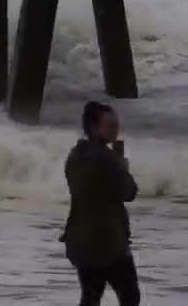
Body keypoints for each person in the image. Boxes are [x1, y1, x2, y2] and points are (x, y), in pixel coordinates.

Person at [61, 101, 140, 305]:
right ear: (94, 128)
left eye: (116, 125)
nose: (116, 130)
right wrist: (122, 165)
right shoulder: (107, 158)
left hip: (79, 239)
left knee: (90, 297)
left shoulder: (75, 156)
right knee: (130, 296)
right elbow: (129, 192)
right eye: (110, 126)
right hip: (107, 242)